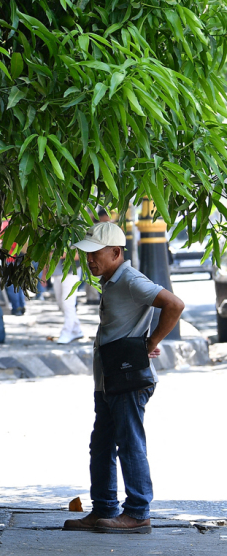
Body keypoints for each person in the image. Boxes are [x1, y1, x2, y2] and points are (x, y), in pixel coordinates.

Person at [63, 222, 184, 535]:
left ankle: (138, 511)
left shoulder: (129, 278)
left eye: (95, 254)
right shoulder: (110, 280)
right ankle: (103, 508)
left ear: (116, 252)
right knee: (101, 445)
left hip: (127, 380)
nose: (88, 260)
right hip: (108, 380)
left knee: (129, 444)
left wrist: (151, 342)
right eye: (85, 254)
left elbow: (174, 304)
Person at [51, 260, 85, 344]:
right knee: (61, 304)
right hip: (56, 272)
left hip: (71, 271)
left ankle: (66, 333)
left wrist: (56, 253)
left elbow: (78, 255)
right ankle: (76, 329)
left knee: (67, 304)